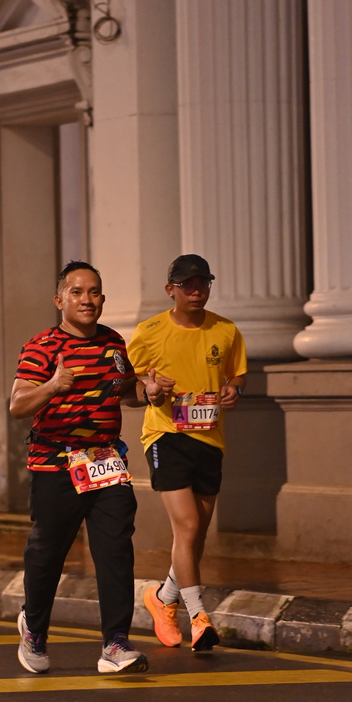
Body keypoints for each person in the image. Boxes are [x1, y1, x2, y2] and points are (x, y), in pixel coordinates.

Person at [9, 260, 148, 675]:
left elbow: (125, 391)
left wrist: (149, 392)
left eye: (94, 292)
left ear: (102, 299)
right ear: (60, 300)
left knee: (116, 549)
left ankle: (115, 643)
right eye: (77, 292)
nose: (87, 300)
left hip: (106, 461)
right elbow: (17, 405)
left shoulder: (114, 343)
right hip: (56, 463)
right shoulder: (41, 347)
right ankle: (34, 629)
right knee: (48, 551)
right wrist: (53, 385)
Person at [127, 254, 247, 652]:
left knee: (196, 536)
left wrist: (235, 389)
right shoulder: (149, 332)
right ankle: (199, 617)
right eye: (187, 285)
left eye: (202, 283)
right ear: (171, 290)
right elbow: (126, 382)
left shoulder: (226, 330)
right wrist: (150, 390)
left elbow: (238, 372)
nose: (196, 291)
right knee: (188, 526)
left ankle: (163, 599)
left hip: (210, 439)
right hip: (166, 435)